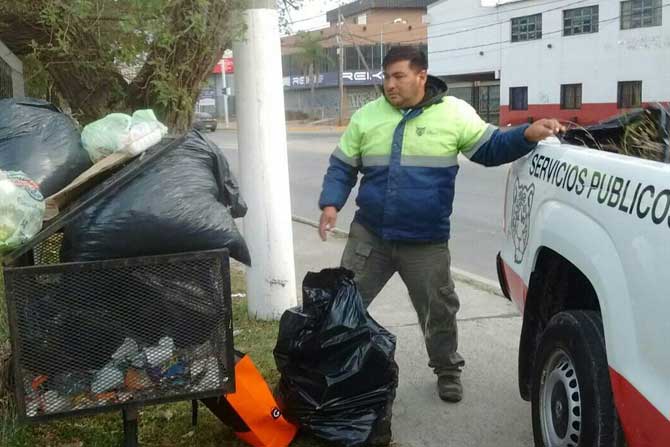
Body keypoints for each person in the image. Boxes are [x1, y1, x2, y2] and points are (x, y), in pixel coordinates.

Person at [317, 46, 564, 403]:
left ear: (421, 76)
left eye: (398, 76)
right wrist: (330, 203)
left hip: (425, 242)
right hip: (370, 236)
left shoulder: (454, 113)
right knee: (343, 304)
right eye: (386, 77)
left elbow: (490, 148)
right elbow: (342, 165)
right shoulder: (367, 117)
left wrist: (526, 135)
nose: (390, 85)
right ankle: (330, 371)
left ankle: (447, 371)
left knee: (439, 311)